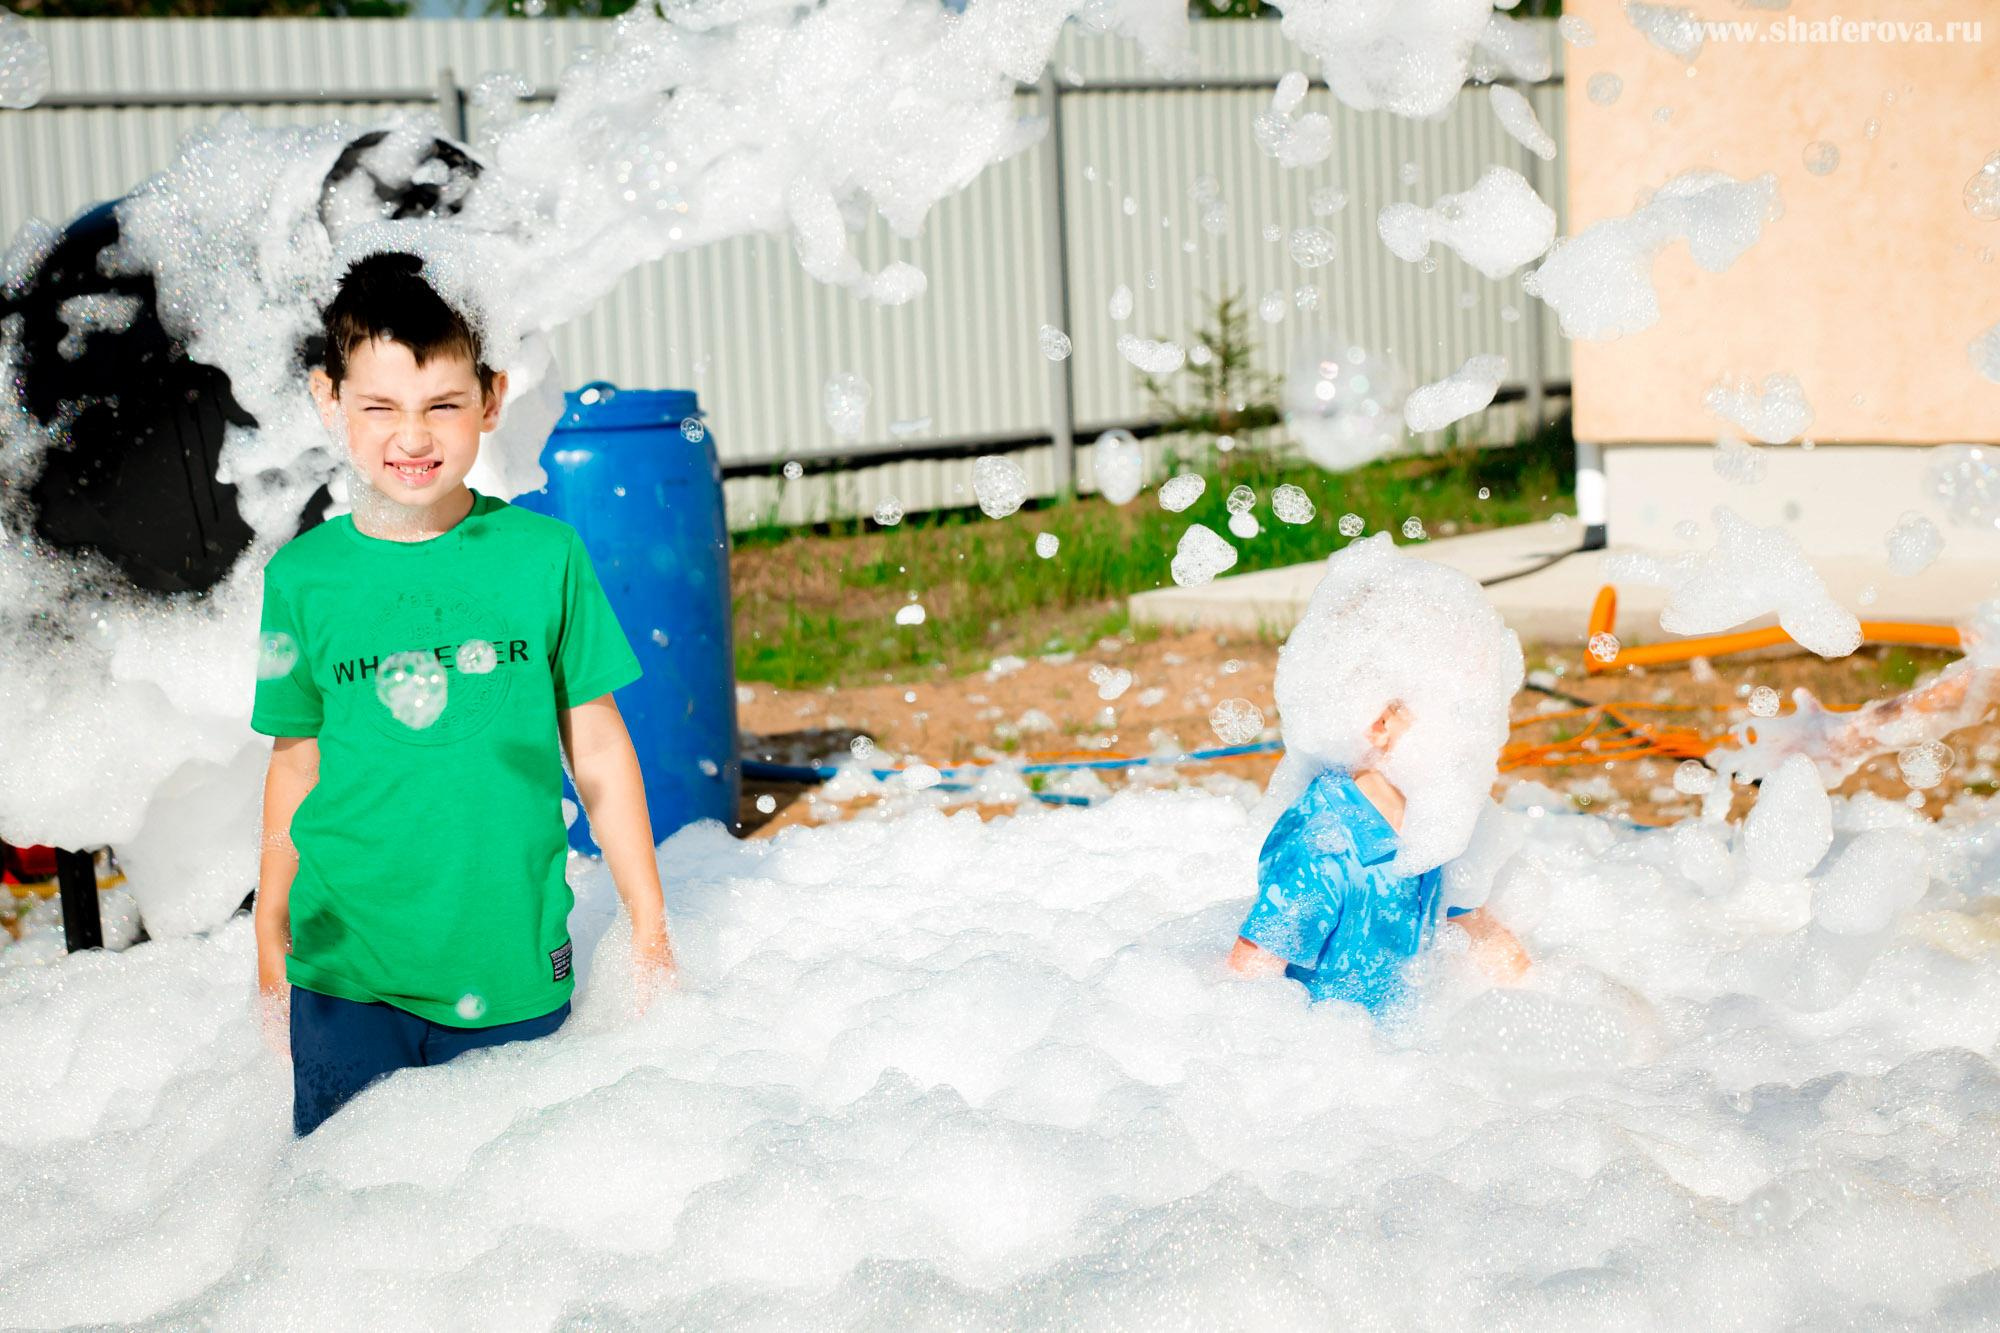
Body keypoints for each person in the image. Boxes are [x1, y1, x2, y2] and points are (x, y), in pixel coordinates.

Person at [252, 251, 675, 1137]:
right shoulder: (303, 578)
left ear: (491, 398)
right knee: (347, 1223)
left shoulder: (543, 556)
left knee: (505, 1234)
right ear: (329, 401)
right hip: (344, 976)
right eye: (380, 408)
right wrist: (269, 924)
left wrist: (648, 918)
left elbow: (595, 747)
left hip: (511, 965)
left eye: (443, 405)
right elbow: (298, 758)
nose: (413, 438)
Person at [1227, 698, 1529, 1011]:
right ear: (1379, 726)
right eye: (1457, 717)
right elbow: (1247, 985)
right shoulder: (1323, 847)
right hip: (1331, 1043)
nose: (1477, 741)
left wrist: (1537, 996)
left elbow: (1479, 929)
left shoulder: (1437, 830)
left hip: (1407, 1038)